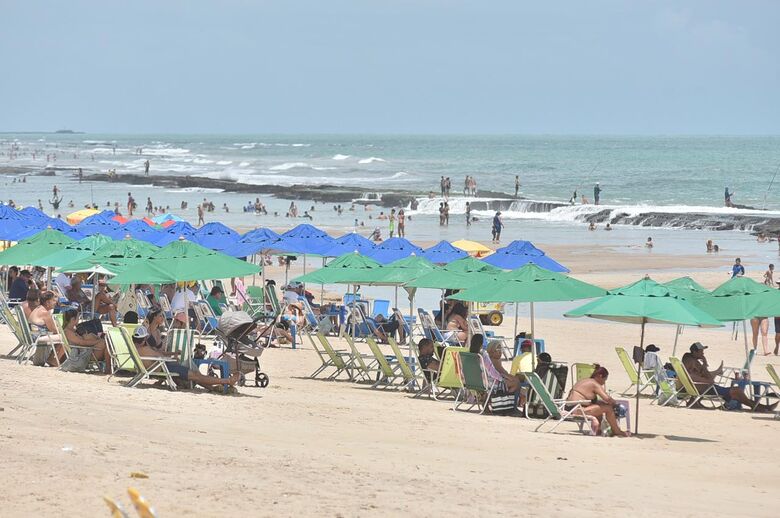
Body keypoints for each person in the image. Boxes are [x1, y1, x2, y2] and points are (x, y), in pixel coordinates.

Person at [132, 326, 239, 389]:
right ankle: (227, 381)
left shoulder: (135, 349)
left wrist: (172, 354)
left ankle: (212, 388)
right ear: (145, 338)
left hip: (162, 367)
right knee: (196, 376)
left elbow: (159, 355)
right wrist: (172, 358)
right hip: (166, 368)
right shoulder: (145, 349)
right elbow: (160, 356)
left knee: (195, 376)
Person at [683, 342, 777, 411]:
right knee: (736, 391)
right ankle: (758, 407)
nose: (703, 353)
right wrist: (707, 380)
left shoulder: (691, 359)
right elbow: (690, 376)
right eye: (701, 352)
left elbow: (704, 375)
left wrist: (705, 363)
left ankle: (760, 407)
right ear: (694, 352)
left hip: (705, 387)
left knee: (736, 392)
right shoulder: (690, 361)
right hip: (705, 388)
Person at [566, 365, 628, 437]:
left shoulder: (585, 381)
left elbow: (591, 401)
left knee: (601, 406)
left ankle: (598, 430)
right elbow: (607, 399)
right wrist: (615, 404)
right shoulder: (594, 384)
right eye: (604, 380)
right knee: (608, 409)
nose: (603, 383)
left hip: (569, 408)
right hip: (577, 410)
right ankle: (617, 431)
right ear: (600, 376)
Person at [28, 291, 64, 366]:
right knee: (65, 337)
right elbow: (54, 330)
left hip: (33, 335)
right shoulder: (45, 313)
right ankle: (53, 359)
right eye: (53, 301)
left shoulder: (38, 309)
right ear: (47, 302)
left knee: (63, 335)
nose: (56, 303)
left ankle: (53, 358)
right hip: (38, 337)